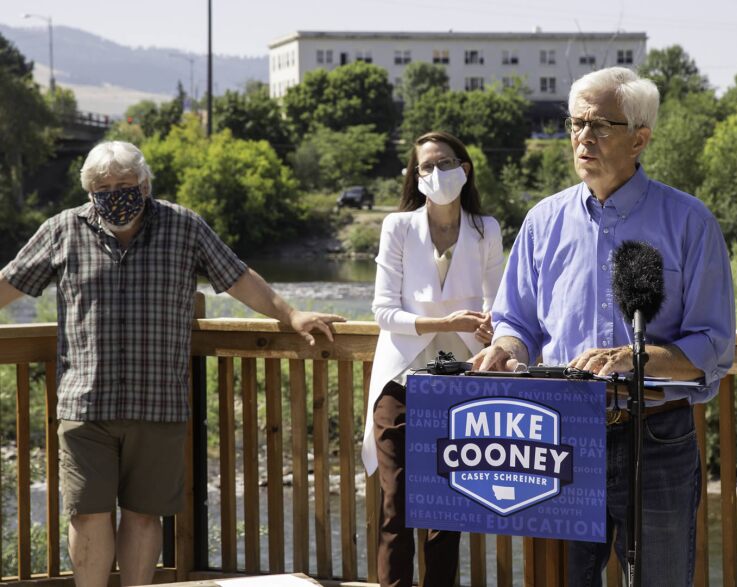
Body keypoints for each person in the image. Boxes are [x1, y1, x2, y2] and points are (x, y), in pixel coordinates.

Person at [0, 141, 345, 587]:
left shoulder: (184, 227)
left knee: (144, 518)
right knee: (87, 516)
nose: (114, 193)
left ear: (144, 184)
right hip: (85, 404)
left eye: (124, 184)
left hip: (158, 401)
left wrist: (291, 314)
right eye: (103, 186)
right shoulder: (62, 230)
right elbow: (11, 281)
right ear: (89, 192)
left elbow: (237, 278)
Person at [472, 68, 736, 585]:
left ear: (640, 138)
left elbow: (713, 342)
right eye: (575, 123)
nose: (583, 137)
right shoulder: (542, 221)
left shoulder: (689, 221)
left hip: (656, 439)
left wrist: (637, 359)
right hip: (558, 438)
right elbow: (516, 320)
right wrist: (506, 347)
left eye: (600, 125)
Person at [363, 131, 504, 587]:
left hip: (459, 384)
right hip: (400, 379)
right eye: (426, 167)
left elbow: (498, 307)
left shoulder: (487, 229)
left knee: (446, 511)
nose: (435, 174)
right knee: (396, 505)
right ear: (416, 176)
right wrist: (443, 320)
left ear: (465, 169)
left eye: (444, 163)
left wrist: (489, 328)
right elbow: (383, 310)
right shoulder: (398, 227)